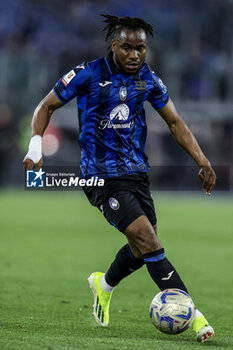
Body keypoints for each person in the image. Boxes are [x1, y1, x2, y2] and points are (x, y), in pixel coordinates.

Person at [23, 14, 216, 343]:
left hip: (137, 174)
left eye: (140, 48)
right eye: (127, 47)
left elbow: (175, 122)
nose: (134, 55)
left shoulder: (148, 80)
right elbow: (46, 106)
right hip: (100, 177)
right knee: (149, 241)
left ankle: (104, 284)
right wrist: (36, 148)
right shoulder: (88, 73)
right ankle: (194, 316)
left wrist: (201, 159)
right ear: (113, 45)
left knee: (142, 249)